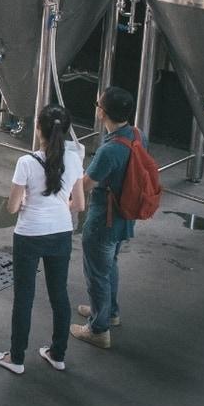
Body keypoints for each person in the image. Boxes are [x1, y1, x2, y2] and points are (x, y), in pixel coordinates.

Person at [0, 104, 86, 374]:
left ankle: (17, 358)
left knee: (24, 296)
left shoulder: (26, 162)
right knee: (59, 294)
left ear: (38, 129)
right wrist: (58, 207)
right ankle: (57, 354)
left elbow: (11, 208)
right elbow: (78, 203)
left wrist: (25, 201)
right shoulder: (74, 160)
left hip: (29, 235)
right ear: (66, 130)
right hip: (60, 233)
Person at [72, 86, 139, 350]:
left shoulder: (109, 151)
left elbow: (87, 185)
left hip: (104, 218)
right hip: (125, 214)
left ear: (102, 112)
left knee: (97, 272)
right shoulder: (136, 135)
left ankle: (98, 330)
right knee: (110, 264)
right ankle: (109, 311)